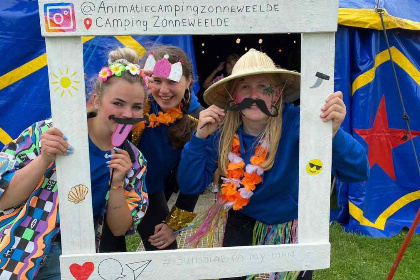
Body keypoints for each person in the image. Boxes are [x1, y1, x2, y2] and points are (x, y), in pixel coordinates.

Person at [178, 49, 370, 280]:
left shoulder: (301, 122)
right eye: (245, 87)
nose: (255, 95)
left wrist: (333, 134)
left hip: (290, 227)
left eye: (264, 87)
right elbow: (190, 185)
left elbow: (358, 170)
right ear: (233, 95)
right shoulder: (221, 131)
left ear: (277, 94)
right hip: (241, 223)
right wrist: (198, 140)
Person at [0, 47, 149, 280]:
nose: (127, 114)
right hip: (14, 252)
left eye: (136, 107)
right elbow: (4, 199)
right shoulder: (48, 133)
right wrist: (44, 158)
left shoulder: (134, 161)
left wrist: (117, 182)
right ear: (96, 100)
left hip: (75, 258)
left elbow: (120, 229)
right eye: (118, 103)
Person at [100, 45, 203, 252]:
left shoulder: (198, 121)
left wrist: (174, 225)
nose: (163, 91)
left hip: (150, 192)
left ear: (189, 81)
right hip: (109, 190)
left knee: (165, 254)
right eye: (157, 80)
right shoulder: (135, 104)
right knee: (109, 258)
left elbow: (195, 180)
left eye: (172, 81)